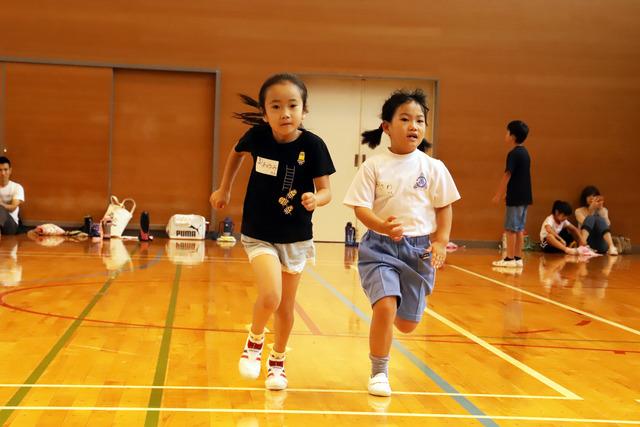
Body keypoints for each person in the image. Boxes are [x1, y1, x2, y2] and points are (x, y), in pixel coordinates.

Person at [209, 73, 335, 391]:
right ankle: (254, 343)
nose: (285, 113)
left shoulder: (313, 146)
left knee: (286, 308)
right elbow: (236, 153)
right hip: (259, 233)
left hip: (296, 237)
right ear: (265, 112)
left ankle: (277, 362)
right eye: (276, 106)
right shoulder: (258, 137)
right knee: (270, 296)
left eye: (292, 105)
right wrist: (224, 188)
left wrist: (315, 199)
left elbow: (327, 191)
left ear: (304, 110)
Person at [343, 89, 460, 397]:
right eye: (405, 119)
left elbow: (444, 206)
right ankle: (379, 372)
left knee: (406, 324)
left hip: (418, 252)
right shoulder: (374, 166)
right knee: (384, 306)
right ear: (387, 127)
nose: (414, 126)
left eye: (419, 120)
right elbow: (360, 207)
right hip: (379, 248)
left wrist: (440, 241)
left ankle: (398, 311)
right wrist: (381, 225)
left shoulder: (433, 167)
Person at [492, 121, 532, 268]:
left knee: (510, 228)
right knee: (519, 228)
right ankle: (517, 257)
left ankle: (509, 259)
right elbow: (520, 177)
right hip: (525, 196)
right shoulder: (525, 153)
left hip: (515, 198)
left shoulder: (514, 154)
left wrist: (498, 193)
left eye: (507, 132)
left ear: (513, 136)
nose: (505, 135)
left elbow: (508, 174)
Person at [574, 185, 618, 255]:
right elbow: (586, 223)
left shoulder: (604, 210)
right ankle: (582, 247)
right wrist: (591, 210)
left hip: (601, 244)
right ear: (584, 198)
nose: (591, 198)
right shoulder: (578, 211)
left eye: (594, 196)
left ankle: (611, 247)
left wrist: (601, 210)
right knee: (591, 218)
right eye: (588, 196)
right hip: (587, 243)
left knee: (600, 219)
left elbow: (607, 225)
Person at [0, 157, 25, 237]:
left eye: (5, 169)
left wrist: (1, 204)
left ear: (10, 170)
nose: (3, 173)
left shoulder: (17, 187)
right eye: (0, 170)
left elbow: (13, 207)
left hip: (11, 225)